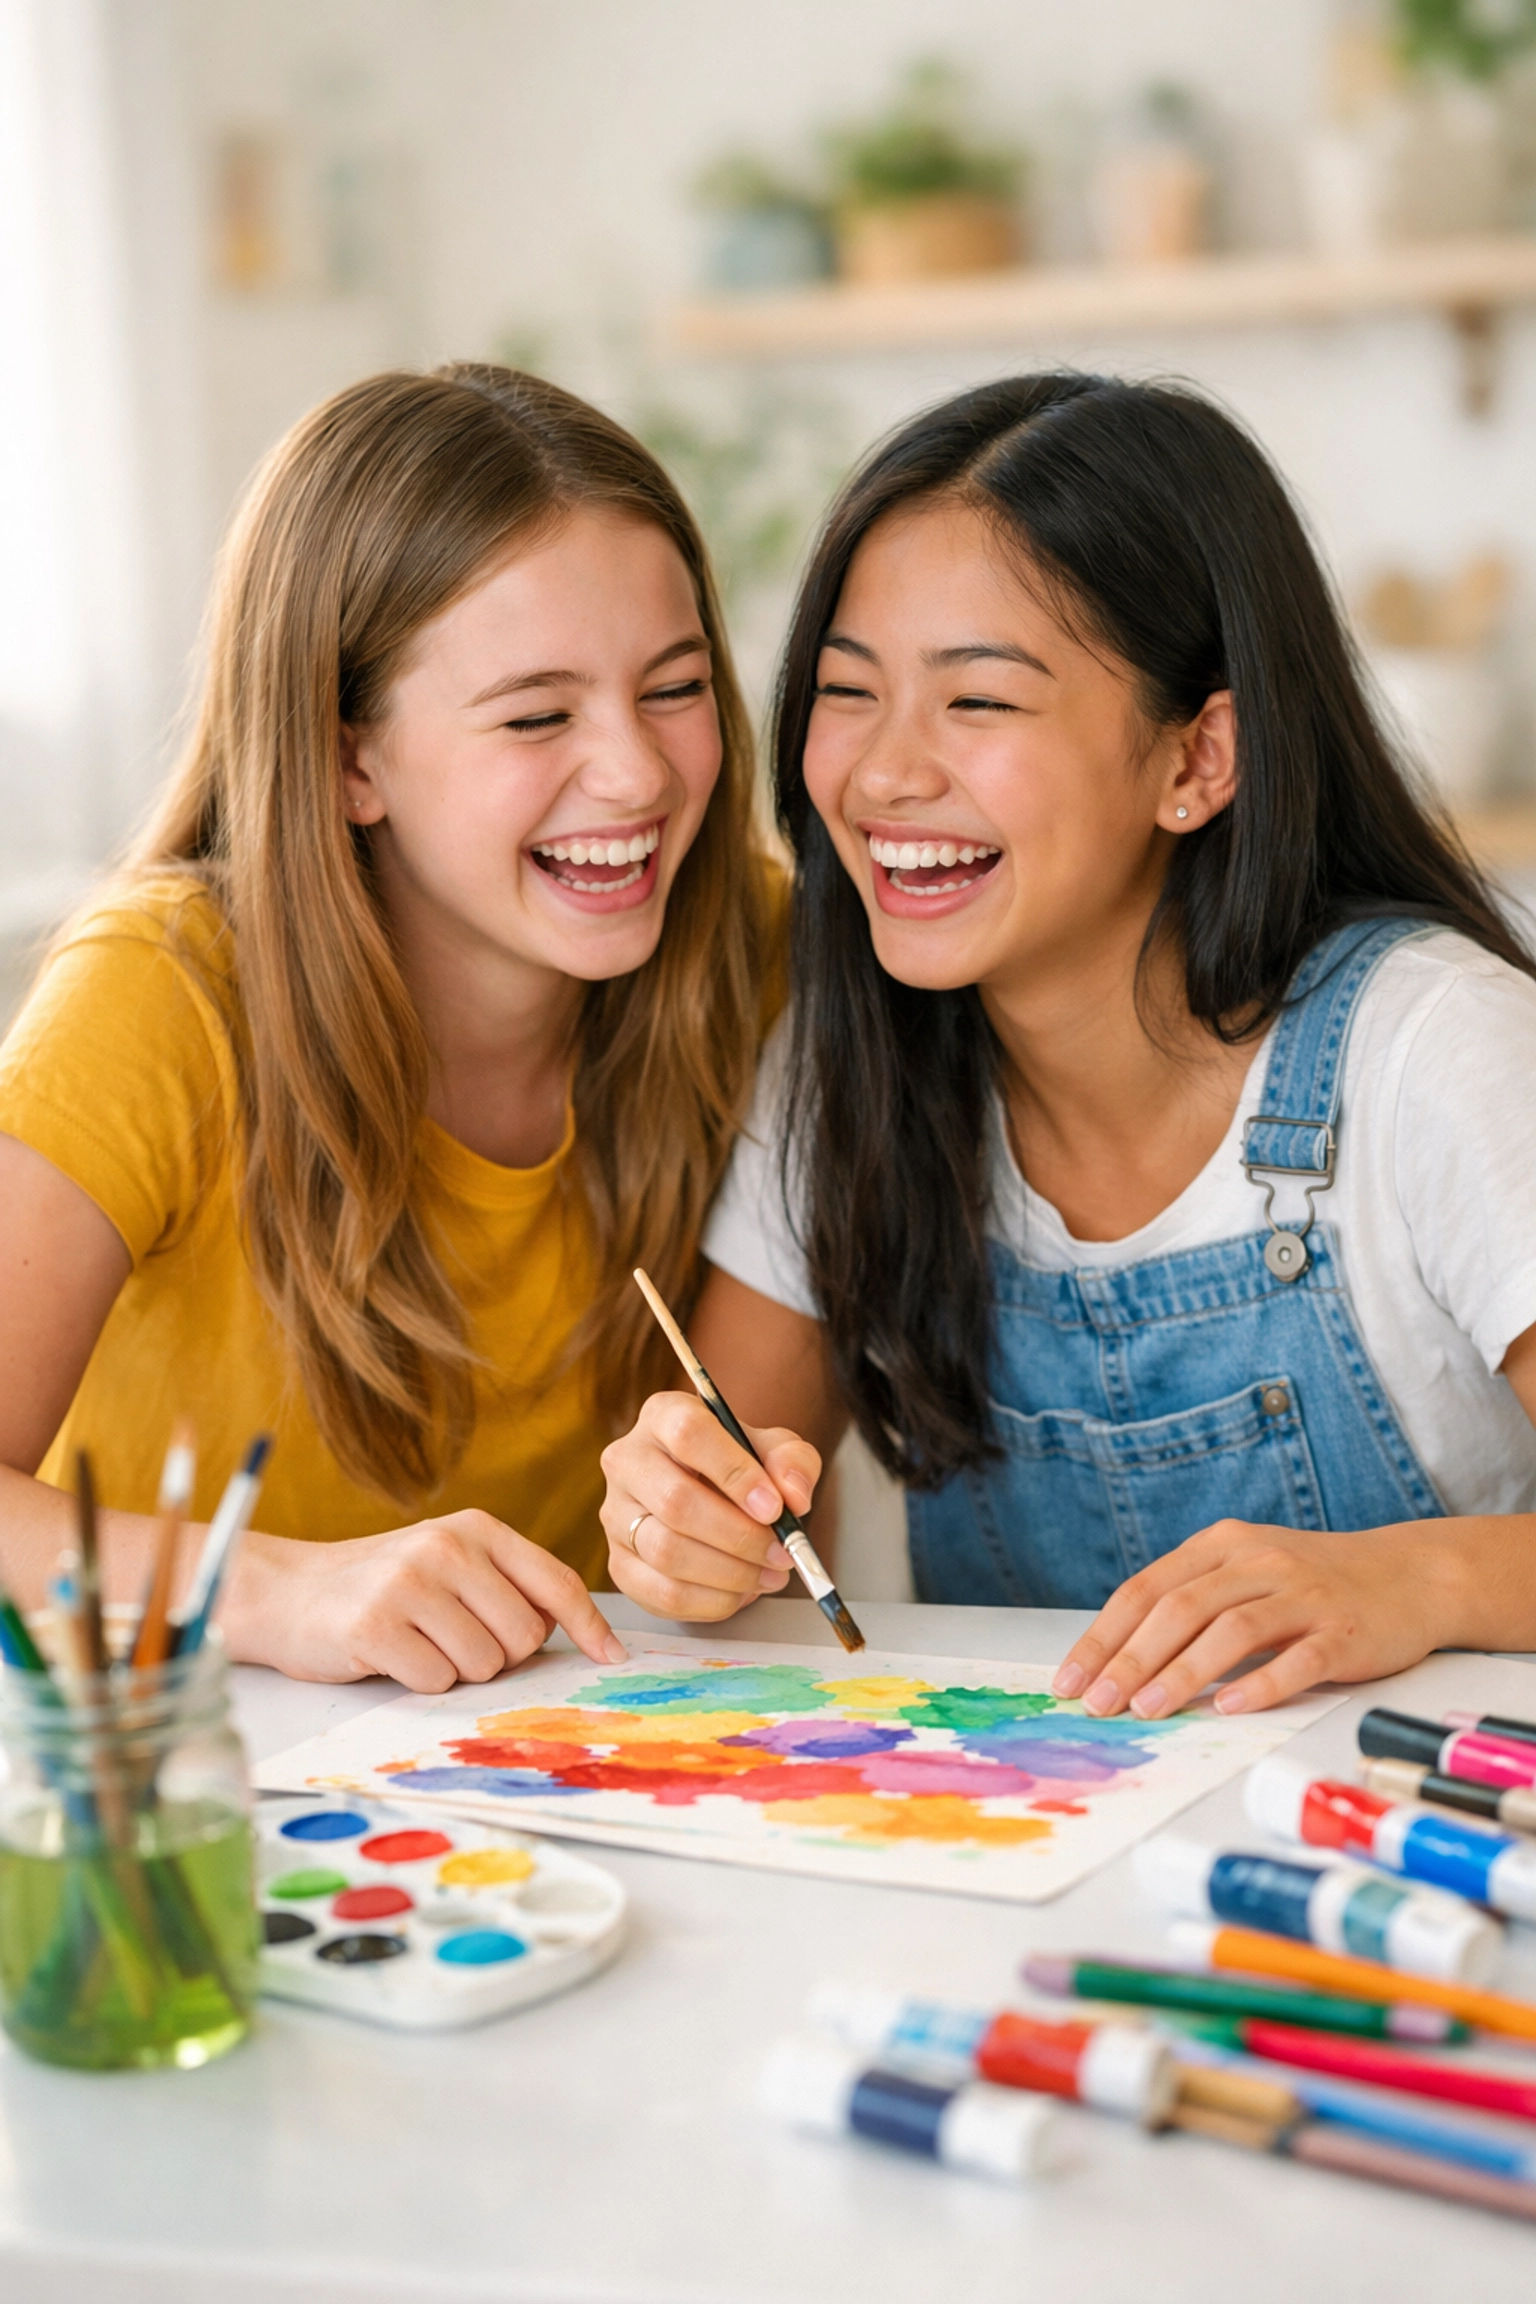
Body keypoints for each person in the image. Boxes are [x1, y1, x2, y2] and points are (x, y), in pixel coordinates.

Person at [600, 371, 1536, 1718]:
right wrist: (681, 1533)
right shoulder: (842, 1067)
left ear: (1197, 760)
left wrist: (1421, 1580)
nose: (883, 775)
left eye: (978, 703)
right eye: (848, 691)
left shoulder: (1436, 1051)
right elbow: (730, 1510)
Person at [0, 363, 778, 1689]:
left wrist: (711, 1526)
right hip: (172, 1756)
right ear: (350, 757)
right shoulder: (162, 992)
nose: (638, 771)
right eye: (538, 715)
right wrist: (275, 1588)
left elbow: (750, 1457)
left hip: (546, 1761)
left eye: (674, 687)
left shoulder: (753, 952)